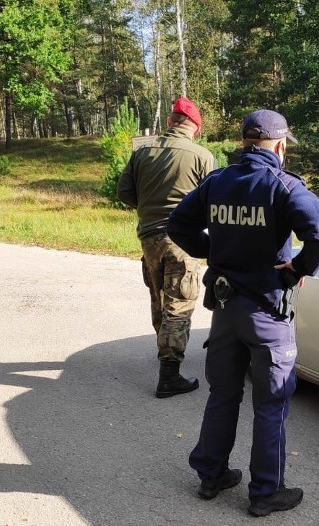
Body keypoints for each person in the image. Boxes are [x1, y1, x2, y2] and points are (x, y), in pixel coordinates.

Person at [167, 109, 319, 516]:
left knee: (223, 393)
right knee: (271, 401)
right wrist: (297, 269)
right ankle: (265, 492)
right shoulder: (285, 185)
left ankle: (211, 474)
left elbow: (177, 225)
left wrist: (215, 252)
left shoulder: (217, 181)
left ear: (244, 143)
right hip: (267, 313)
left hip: (225, 310)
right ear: (279, 146)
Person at [117, 97, 216, 398]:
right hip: (183, 240)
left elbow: (124, 193)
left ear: (170, 123)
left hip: (149, 238)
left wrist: (149, 209)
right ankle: (169, 374)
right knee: (180, 303)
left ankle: (165, 356)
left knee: (160, 299)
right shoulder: (202, 156)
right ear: (195, 129)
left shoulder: (142, 152)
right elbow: (212, 200)